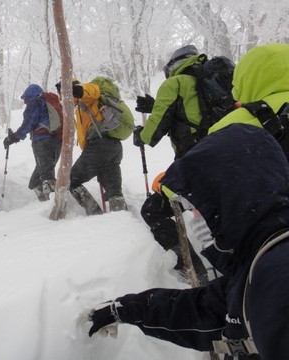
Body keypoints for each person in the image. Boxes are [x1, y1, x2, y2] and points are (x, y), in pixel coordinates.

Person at [83, 43, 289, 360]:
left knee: (155, 210)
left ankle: (185, 264)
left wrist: (161, 172)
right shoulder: (213, 86)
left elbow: (155, 134)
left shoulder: (233, 116)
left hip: (218, 184)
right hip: (270, 221)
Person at [133, 45, 208, 281]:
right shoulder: (217, 82)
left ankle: (192, 270)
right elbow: (196, 111)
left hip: (196, 165)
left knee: (153, 210)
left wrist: (140, 135)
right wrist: (156, 104)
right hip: (231, 162)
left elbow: (152, 133)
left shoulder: (174, 84)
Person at [62, 79, 131, 215]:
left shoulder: (89, 94)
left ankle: (94, 213)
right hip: (114, 146)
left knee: (71, 180)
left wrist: (77, 88)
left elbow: (90, 91)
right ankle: (121, 218)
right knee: (114, 190)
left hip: (99, 146)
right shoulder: (92, 102)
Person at [3, 84, 62, 201]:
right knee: (36, 181)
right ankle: (43, 204)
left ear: (29, 95)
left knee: (46, 174)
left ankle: (54, 206)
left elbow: (29, 123)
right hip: (57, 141)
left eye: (25, 99)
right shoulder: (51, 103)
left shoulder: (35, 102)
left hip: (41, 141)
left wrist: (14, 137)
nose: (25, 102)